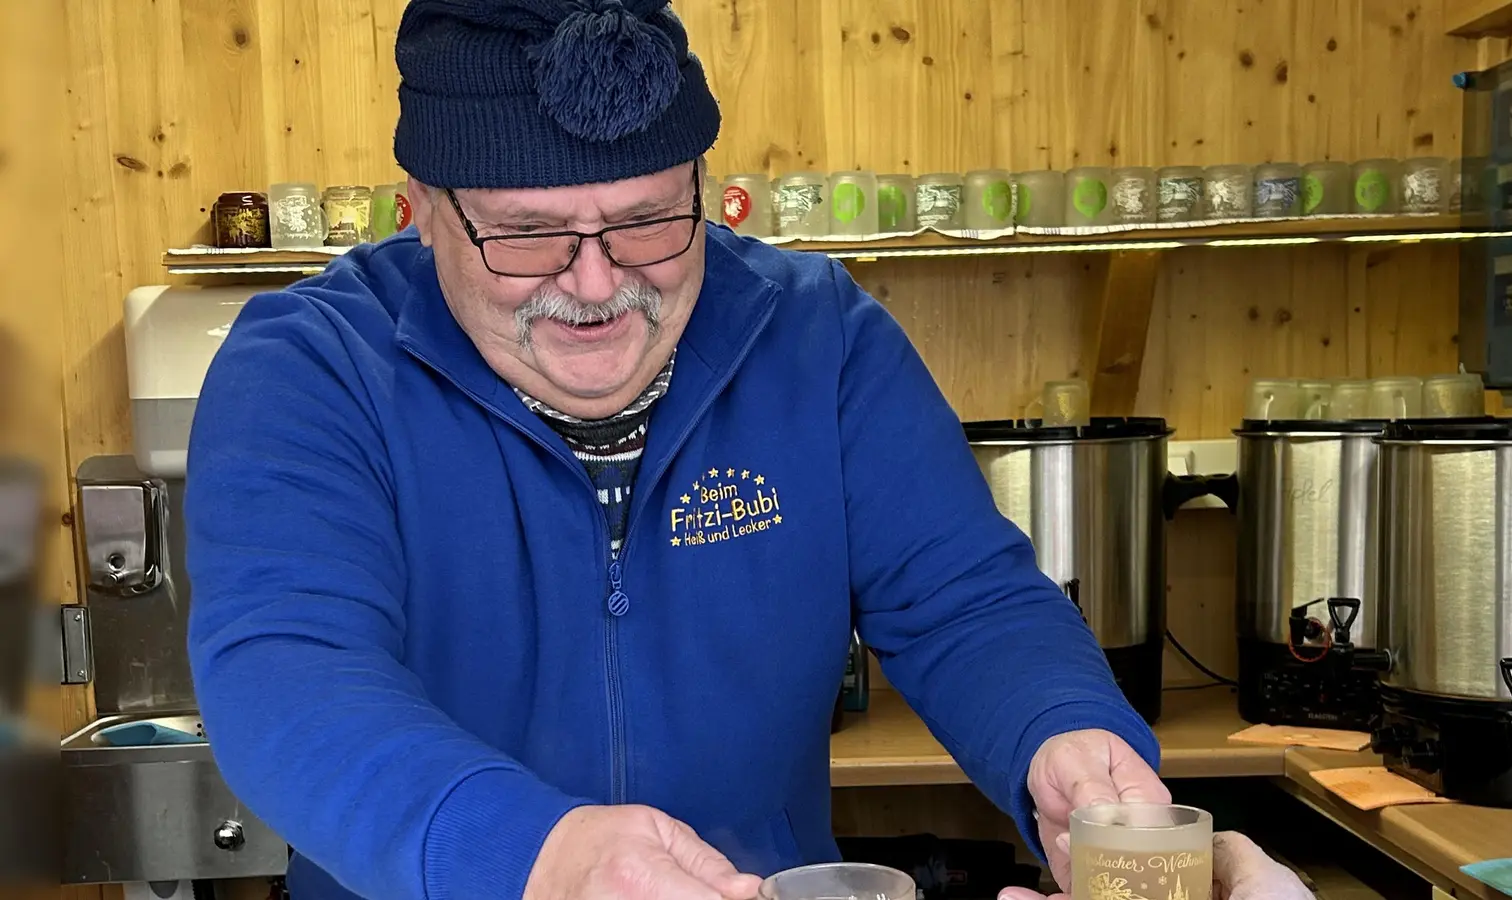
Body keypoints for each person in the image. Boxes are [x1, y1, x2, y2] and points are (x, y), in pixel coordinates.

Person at [183, 1, 1311, 898]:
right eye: (526, 236)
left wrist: (1061, 740)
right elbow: (288, 673)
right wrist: (534, 857)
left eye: (646, 221)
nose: (594, 284)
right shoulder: (311, 366)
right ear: (420, 211)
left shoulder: (814, 334)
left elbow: (966, 600)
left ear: (708, 196)